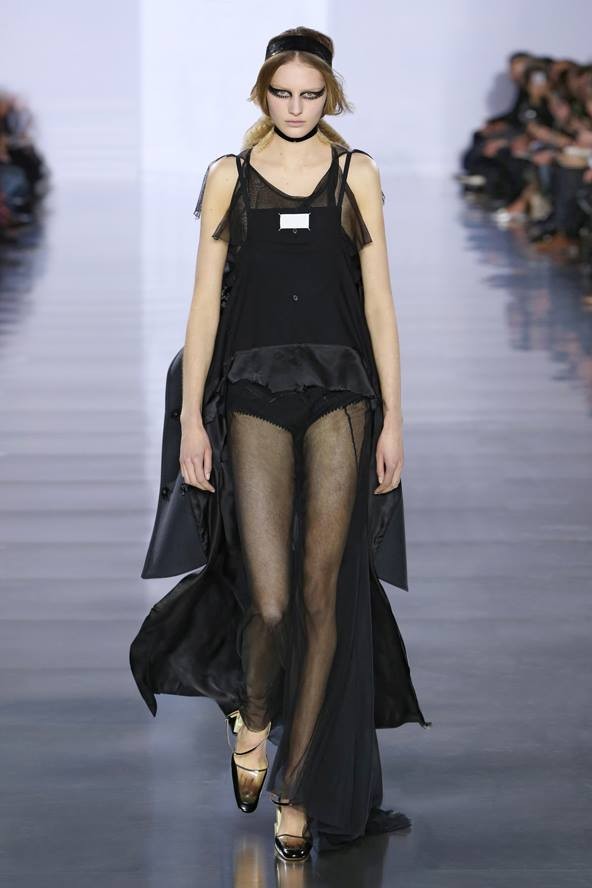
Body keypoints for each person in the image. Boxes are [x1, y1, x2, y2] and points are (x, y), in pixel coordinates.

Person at [129, 26, 431, 863]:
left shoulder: (354, 173)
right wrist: (192, 421)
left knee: (323, 594)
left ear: (329, 95)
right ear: (262, 94)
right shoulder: (228, 176)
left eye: (310, 94)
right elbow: (203, 304)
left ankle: (297, 791)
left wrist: (395, 418)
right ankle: (255, 717)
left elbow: (379, 304)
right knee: (268, 600)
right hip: (253, 392)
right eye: (283, 93)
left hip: (341, 394)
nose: (296, 107)